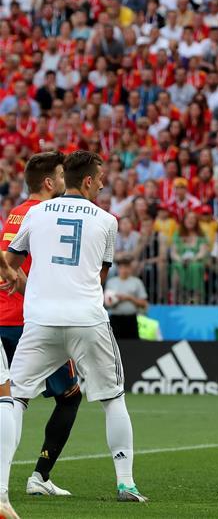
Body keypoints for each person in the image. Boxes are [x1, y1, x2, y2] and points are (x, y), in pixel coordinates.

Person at [0, 151, 148, 507]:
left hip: (39, 320)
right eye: (99, 178)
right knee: (113, 399)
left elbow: (12, 261)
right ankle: (125, 484)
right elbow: (101, 276)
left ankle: (2, 489)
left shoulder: (34, 212)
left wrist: (24, 280)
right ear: (87, 181)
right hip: (86, 319)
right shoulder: (108, 220)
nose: (101, 183)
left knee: (14, 398)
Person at [0, 152, 79, 500]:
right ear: (49, 182)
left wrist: (14, 275)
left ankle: (7, 480)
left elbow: (6, 260)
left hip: (4, 319)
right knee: (69, 396)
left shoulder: (15, 213)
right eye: (62, 175)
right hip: (32, 321)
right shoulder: (45, 212)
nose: (64, 181)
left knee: (13, 398)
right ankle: (39, 475)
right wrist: (33, 285)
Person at [104, 257, 149, 340]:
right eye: (121, 267)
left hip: (131, 320)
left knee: (133, 346)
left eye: (126, 267)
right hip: (115, 319)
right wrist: (115, 300)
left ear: (130, 268)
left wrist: (129, 298)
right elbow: (106, 303)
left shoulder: (137, 282)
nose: (124, 270)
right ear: (118, 269)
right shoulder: (111, 282)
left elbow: (144, 304)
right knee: (114, 346)